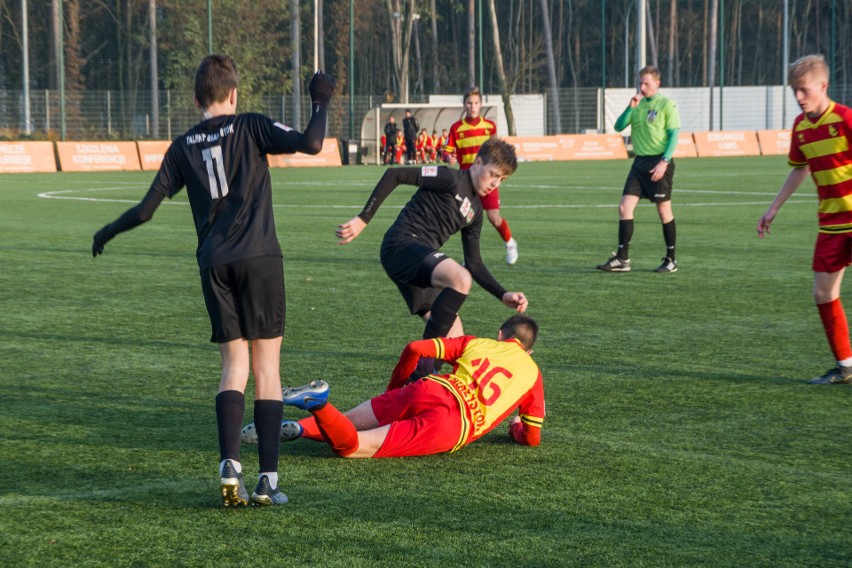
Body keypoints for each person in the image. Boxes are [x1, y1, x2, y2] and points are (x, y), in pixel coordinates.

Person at [90, 54, 335, 506]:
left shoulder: (182, 145)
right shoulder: (250, 125)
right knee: (267, 369)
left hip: (213, 264)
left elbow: (145, 210)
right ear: (234, 93)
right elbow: (313, 143)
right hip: (260, 257)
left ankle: (229, 465)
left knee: (233, 367)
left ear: (196, 97)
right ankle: (268, 482)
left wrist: (108, 230)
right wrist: (320, 97)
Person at [336, 137, 528, 378]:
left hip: (421, 265)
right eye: (493, 175)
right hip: (401, 245)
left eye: (501, 180)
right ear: (477, 162)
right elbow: (395, 174)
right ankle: (422, 371)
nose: (495, 184)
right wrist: (364, 218)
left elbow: (475, 263)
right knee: (460, 278)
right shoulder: (449, 178)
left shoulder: (476, 213)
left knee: (455, 337)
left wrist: (503, 294)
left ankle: (417, 389)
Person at [243, 315, 544, 458]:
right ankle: (317, 403)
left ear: (501, 333)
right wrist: (515, 427)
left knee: (346, 422)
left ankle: (296, 427)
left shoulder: (479, 342)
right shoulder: (532, 374)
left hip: (428, 388)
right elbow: (531, 437)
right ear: (528, 351)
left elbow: (416, 348)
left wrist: (394, 389)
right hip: (451, 424)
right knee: (351, 448)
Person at [757, 54, 852, 385]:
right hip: (831, 224)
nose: (798, 97)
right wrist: (773, 208)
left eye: (803, 89)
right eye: (794, 91)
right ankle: (845, 367)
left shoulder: (845, 119)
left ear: (823, 86)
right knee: (823, 294)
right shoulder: (801, 127)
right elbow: (800, 168)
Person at [597, 65, 681, 273]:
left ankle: (671, 260)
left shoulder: (666, 105)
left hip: (659, 162)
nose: (642, 87)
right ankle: (622, 259)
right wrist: (630, 107)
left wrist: (664, 161)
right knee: (624, 207)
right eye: (640, 83)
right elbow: (618, 126)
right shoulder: (638, 104)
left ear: (657, 84)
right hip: (639, 164)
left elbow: (674, 135)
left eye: (646, 83)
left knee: (663, 210)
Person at [443, 86, 518, 265]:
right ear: (464, 104)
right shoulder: (456, 128)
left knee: (493, 217)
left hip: (487, 179)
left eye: (476, 103)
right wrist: (449, 158)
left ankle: (509, 242)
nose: (472, 107)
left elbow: (497, 153)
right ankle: (469, 258)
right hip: (466, 181)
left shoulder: (489, 127)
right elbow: (447, 151)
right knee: (462, 219)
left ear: (481, 104)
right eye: (469, 103)